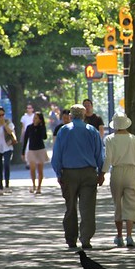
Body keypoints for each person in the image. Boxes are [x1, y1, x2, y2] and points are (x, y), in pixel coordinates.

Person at [51, 104, 105, 249]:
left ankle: (71, 239)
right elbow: (99, 153)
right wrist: (101, 172)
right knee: (87, 208)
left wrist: (58, 173)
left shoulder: (63, 131)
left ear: (70, 115)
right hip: (88, 173)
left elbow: (57, 154)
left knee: (70, 207)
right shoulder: (92, 131)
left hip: (69, 173)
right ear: (84, 114)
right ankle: (86, 238)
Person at [101, 114, 135, 248]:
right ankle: (129, 236)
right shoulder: (133, 139)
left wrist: (102, 174)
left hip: (116, 171)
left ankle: (119, 236)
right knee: (131, 203)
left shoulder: (109, 139)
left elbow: (108, 158)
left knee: (118, 204)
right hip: (131, 172)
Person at [22, 111, 48, 194]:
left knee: (40, 170)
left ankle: (39, 187)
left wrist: (41, 127)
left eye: (36, 118)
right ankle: (33, 185)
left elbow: (44, 137)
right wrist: (23, 152)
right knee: (32, 169)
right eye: (34, 118)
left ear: (40, 120)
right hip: (32, 150)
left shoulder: (41, 127)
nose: (34, 119)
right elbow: (25, 140)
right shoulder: (29, 127)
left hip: (40, 150)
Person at [20, 103, 35, 168]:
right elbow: (23, 127)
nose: (29, 109)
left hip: (34, 134)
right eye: (28, 108)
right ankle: (28, 162)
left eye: (30, 108)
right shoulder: (24, 117)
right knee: (27, 148)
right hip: (27, 134)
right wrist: (22, 135)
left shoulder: (34, 116)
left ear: (32, 109)